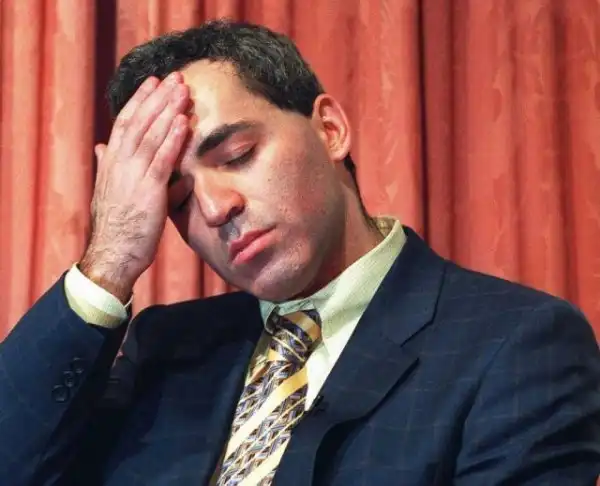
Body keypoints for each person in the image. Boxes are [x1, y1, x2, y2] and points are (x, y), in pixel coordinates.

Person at [0, 19, 598, 486]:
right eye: (177, 198)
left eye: (236, 156)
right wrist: (109, 262)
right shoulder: (167, 349)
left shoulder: (515, 344)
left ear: (330, 129)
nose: (215, 207)